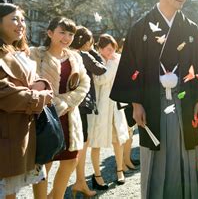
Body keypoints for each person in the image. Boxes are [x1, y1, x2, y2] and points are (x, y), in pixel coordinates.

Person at [109, 0, 198, 199]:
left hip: (185, 99)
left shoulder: (191, 29)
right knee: (155, 153)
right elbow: (131, 67)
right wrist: (136, 103)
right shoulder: (140, 29)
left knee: (187, 153)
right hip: (152, 102)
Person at [30, 17, 90, 199]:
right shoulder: (35, 54)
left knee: (71, 159)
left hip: (69, 116)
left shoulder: (75, 57)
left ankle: (56, 197)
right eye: (62, 32)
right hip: (44, 117)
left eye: (70, 34)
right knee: (43, 163)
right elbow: (29, 82)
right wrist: (52, 103)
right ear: (50, 33)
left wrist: (66, 102)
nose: (67, 38)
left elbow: (84, 83)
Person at [0, 4, 53, 199]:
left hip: (24, 129)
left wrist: (41, 85)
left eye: (23, 19)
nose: (21, 24)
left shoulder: (17, 51)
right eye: (14, 19)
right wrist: (38, 97)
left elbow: (29, 81)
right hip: (7, 130)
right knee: (8, 187)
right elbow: (4, 92)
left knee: (13, 187)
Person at [69, 26, 107, 197]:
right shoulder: (82, 55)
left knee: (77, 144)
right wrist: (93, 51)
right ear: (86, 41)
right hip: (82, 104)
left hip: (72, 103)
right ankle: (79, 182)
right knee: (81, 144)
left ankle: (80, 182)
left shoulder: (69, 53)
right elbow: (101, 68)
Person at [88, 34, 129, 187]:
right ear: (100, 48)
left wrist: (112, 66)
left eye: (114, 49)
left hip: (114, 105)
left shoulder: (118, 60)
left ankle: (120, 170)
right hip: (99, 107)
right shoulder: (95, 60)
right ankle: (97, 175)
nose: (112, 53)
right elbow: (99, 80)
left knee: (118, 139)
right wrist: (111, 67)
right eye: (108, 50)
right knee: (96, 142)